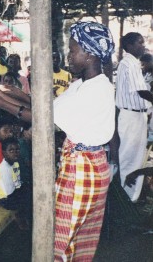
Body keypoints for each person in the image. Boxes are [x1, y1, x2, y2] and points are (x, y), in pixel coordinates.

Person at [54, 21, 115, 261]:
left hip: (83, 169)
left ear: (88, 54)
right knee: (78, 236)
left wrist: (2, 102)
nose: (68, 55)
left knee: (65, 233)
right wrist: (7, 95)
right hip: (88, 164)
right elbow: (47, 108)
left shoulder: (94, 89)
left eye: (72, 50)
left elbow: (43, 116)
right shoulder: (83, 84)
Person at [115, 32, 153, 202]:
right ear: (129, 46)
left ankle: (131, 198)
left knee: (137, 159)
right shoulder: (129, 63)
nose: (143, 46)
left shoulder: (133, 63)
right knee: (128, 158)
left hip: (137, 117)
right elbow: (142, 91)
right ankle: (124, 199)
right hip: (131, 117)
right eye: (140, 42)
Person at [0, 137, 31, 230]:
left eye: (17, 149)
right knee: (27, 197)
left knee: (29, 189)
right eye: (11, 150)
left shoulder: (15, 163)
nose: (15, 152)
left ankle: (25, 217)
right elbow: (9, 191)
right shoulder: (4, 169)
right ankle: (20, 218)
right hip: (7, 199)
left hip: (15, 191)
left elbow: (17, 182)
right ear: (4, 153)